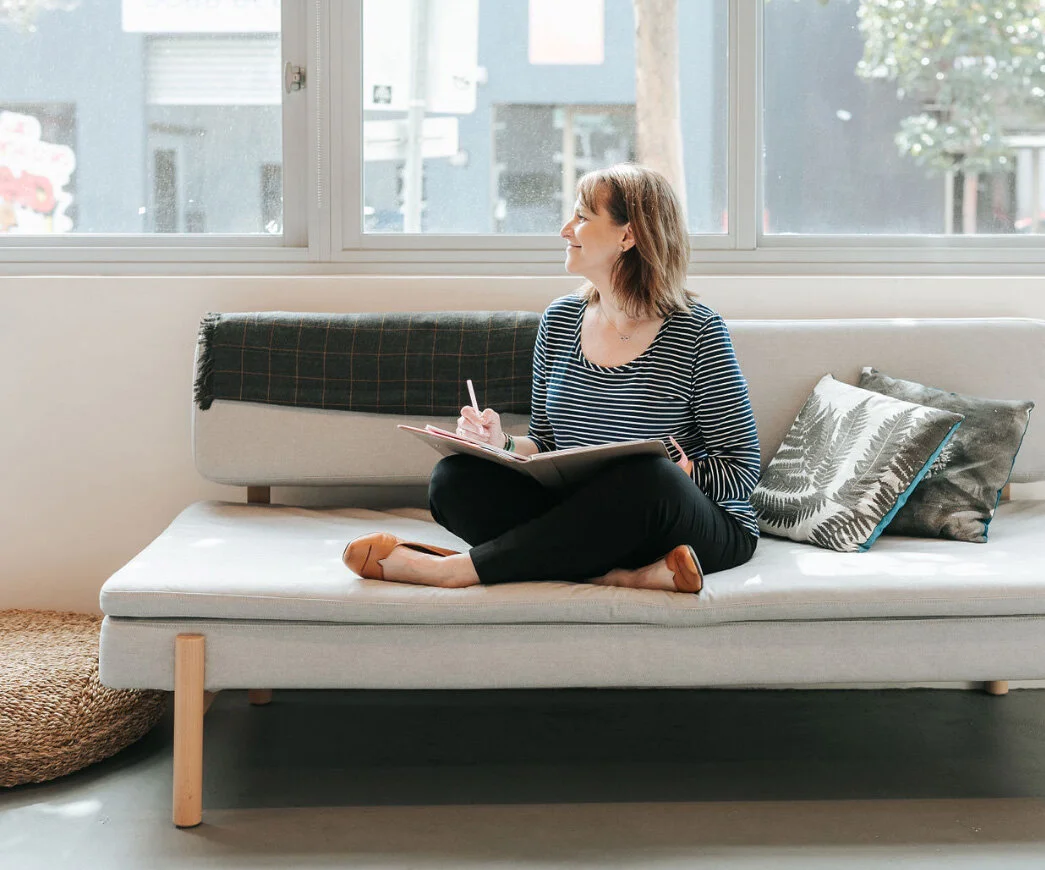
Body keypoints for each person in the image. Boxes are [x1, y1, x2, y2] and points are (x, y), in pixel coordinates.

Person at [344, 163, 760, 592]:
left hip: (686, 521)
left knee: (649, 478)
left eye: (582, 217)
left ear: (627, 235)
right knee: (453, 480)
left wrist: (686, 474)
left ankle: (456, 570)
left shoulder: (697, 331)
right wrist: (499, 444)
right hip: (592, 521)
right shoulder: (560, 319)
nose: (566, 229)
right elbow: (544, 442)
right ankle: (619, 575)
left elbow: (743, 470)